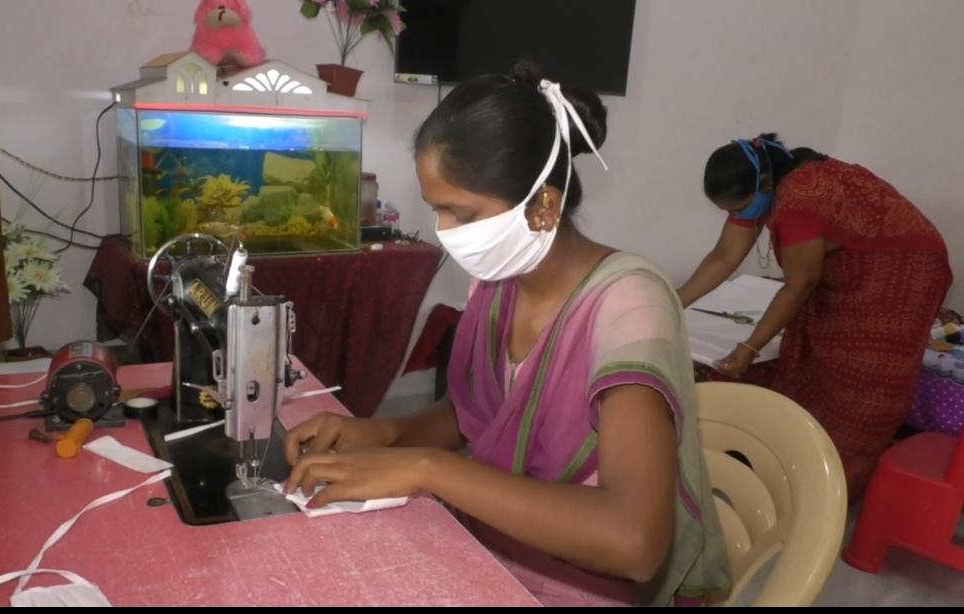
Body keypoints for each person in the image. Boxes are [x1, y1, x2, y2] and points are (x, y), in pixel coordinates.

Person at [282, 64, 730, 606]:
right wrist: (384, 436)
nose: (446, 235)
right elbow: (475, 415)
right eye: (437, 211)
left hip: (586, 581)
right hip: (492, 546)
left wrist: (425, 467)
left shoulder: (629, 305)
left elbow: (633, 541)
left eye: (463, 213)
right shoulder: (498, 286)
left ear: (544, 205)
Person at [678, 133, 952, 497]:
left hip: (902, 275)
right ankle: (796, 471)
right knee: (811, 355)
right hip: (852, 265)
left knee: (859, 378)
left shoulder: (800, 200)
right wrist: (670, 302)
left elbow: (800, 285)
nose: (735, 217)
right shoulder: (765, 188)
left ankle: (834, 491)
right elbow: (724, 256)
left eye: (739, 207)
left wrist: (750, 347)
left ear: (763, 184)